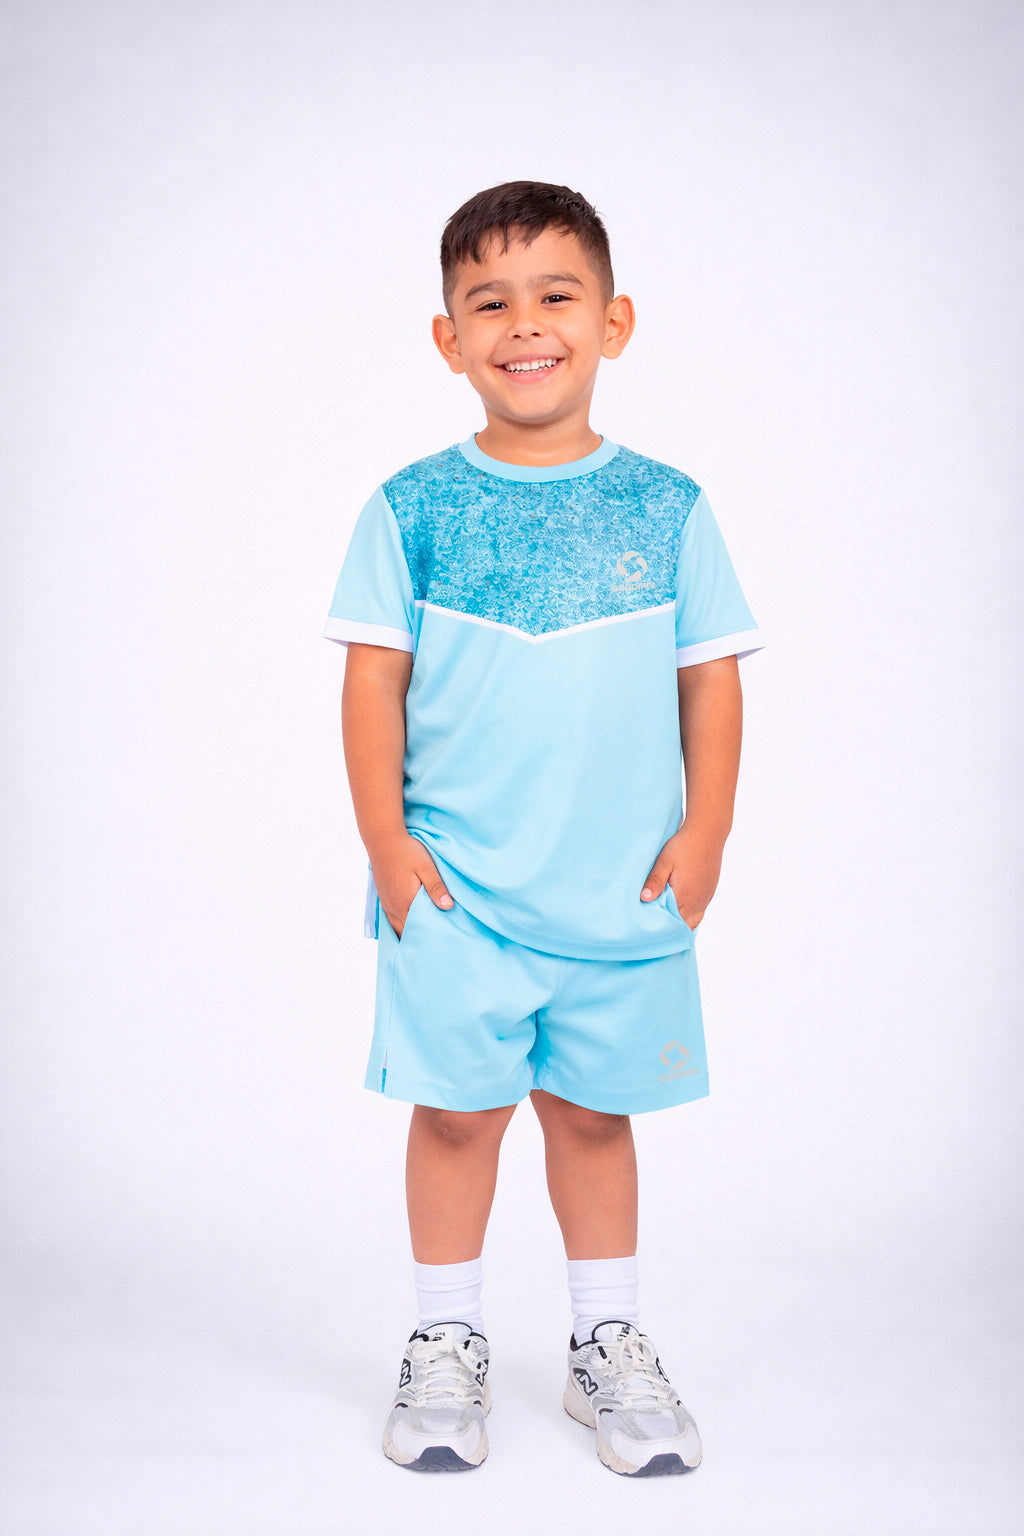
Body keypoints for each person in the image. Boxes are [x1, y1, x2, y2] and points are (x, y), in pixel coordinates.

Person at [323, 181, 762, 1477]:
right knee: (459, 1117)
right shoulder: (409, 507)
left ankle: (603, 1343)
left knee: (591, 1115)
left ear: (612, 322)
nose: (525, 325)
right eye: (490, 303)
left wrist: (708, 833)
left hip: (621, 890)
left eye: (556, 296)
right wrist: (386, 843)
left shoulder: (669, 507)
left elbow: (711, 679)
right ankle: (445, 1341)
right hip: (454, 888)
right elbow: (372, 684)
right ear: (449, 338)